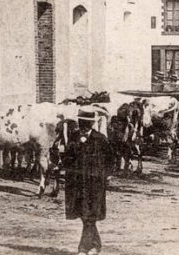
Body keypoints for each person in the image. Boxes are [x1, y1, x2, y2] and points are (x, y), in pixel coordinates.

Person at [64, 108, 114, 255]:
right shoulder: (73, 137)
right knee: (84, 215)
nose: (84, 127)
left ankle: (83, 248)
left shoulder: (100, 139)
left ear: (92, 124)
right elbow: (67, 157)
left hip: (95, 183)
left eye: (87, 124)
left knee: (90, 215)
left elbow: (111, 158)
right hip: (78, 183)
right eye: (81, 123)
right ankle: (96, 245)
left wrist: (108, 174)